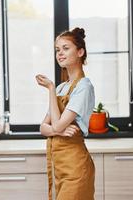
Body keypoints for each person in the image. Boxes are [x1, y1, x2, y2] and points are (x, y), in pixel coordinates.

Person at [35, 27, 95, 200]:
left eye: (66, 48)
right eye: (57, 50)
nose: (60, 53)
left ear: (80, 52)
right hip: (60, 167)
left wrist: (50, 88)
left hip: (76, 166)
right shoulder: (62, 87)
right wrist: (58, 131)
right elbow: (43, 128)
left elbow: (57, 124)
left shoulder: (84, 86)